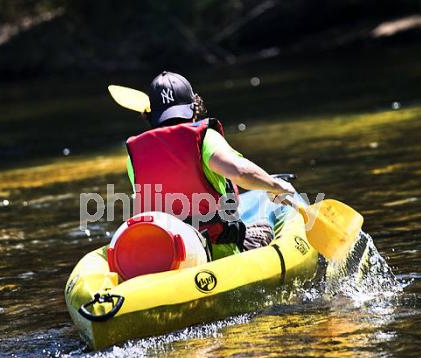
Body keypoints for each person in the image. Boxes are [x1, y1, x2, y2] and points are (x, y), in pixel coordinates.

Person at [125, 71, 295, 260]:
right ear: (194, 108)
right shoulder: (203, 138)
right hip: (218, 254)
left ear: (151, 116)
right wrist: (276, 185)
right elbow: (238, 171)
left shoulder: (134, 156)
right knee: (262, 227)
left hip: (170, 258)